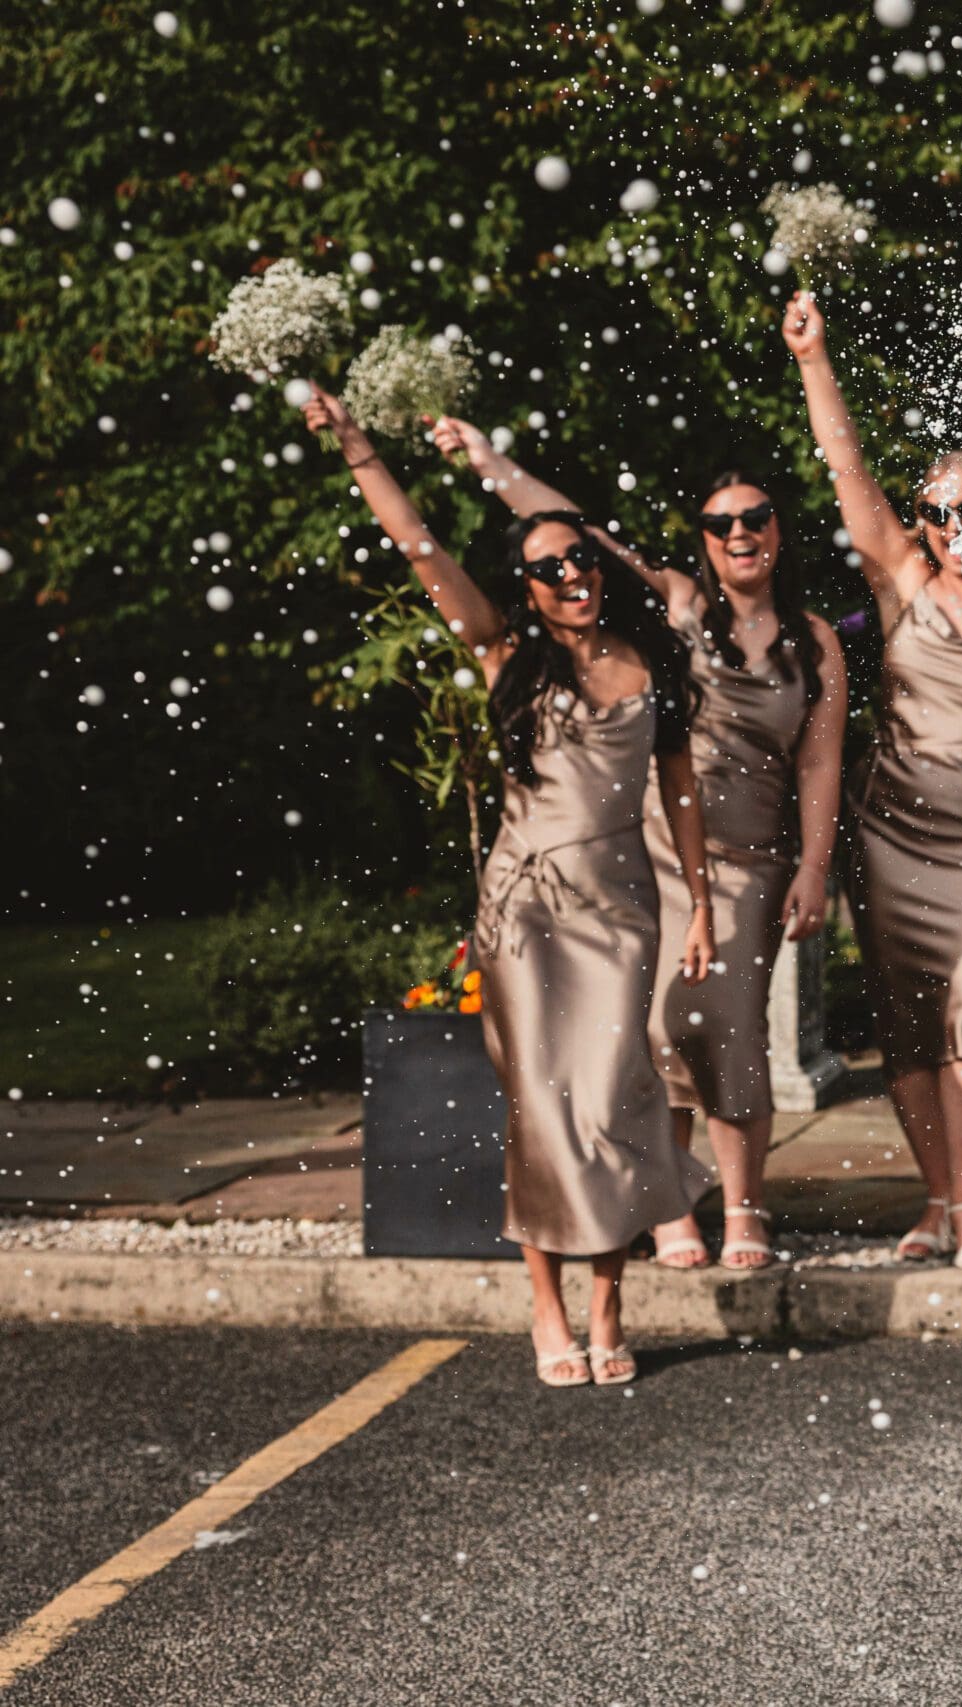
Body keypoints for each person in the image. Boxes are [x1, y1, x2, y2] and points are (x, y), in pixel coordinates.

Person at [302, 387, 717, 1387]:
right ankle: (545, 1304)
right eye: (547, 568)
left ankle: (608, 1302)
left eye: (579, 560)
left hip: (622, 908)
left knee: (615, 1102)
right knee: (540, 1104)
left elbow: (681, 791)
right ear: (522, 588)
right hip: (525, 909)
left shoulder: (651, 656)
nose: (569, 575)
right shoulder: (503, 658)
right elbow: (418, 546)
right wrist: (360, 447)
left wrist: (699, 900)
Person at [433, 419, 847, 1275]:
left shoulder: (814, 638)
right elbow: (577, 536)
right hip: (656, 855)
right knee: (647, 1031)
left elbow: (820, 760)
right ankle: (666, 1207)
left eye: (756, 516)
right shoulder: (681, 610)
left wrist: (813, 866)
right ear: (702, 539)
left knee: (726, 1028)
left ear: (778, 528)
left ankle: (744, 1206)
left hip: (756, 863)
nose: (740, 533)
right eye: (721, 522)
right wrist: (490, 464)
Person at [787, 290, 962, 1272]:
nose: (949, 525)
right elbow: (845, 470)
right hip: (891, 835)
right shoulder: (901, 583)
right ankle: (937, 1199)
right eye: (934, 512)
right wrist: (814, 361)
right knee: (910, 1025)